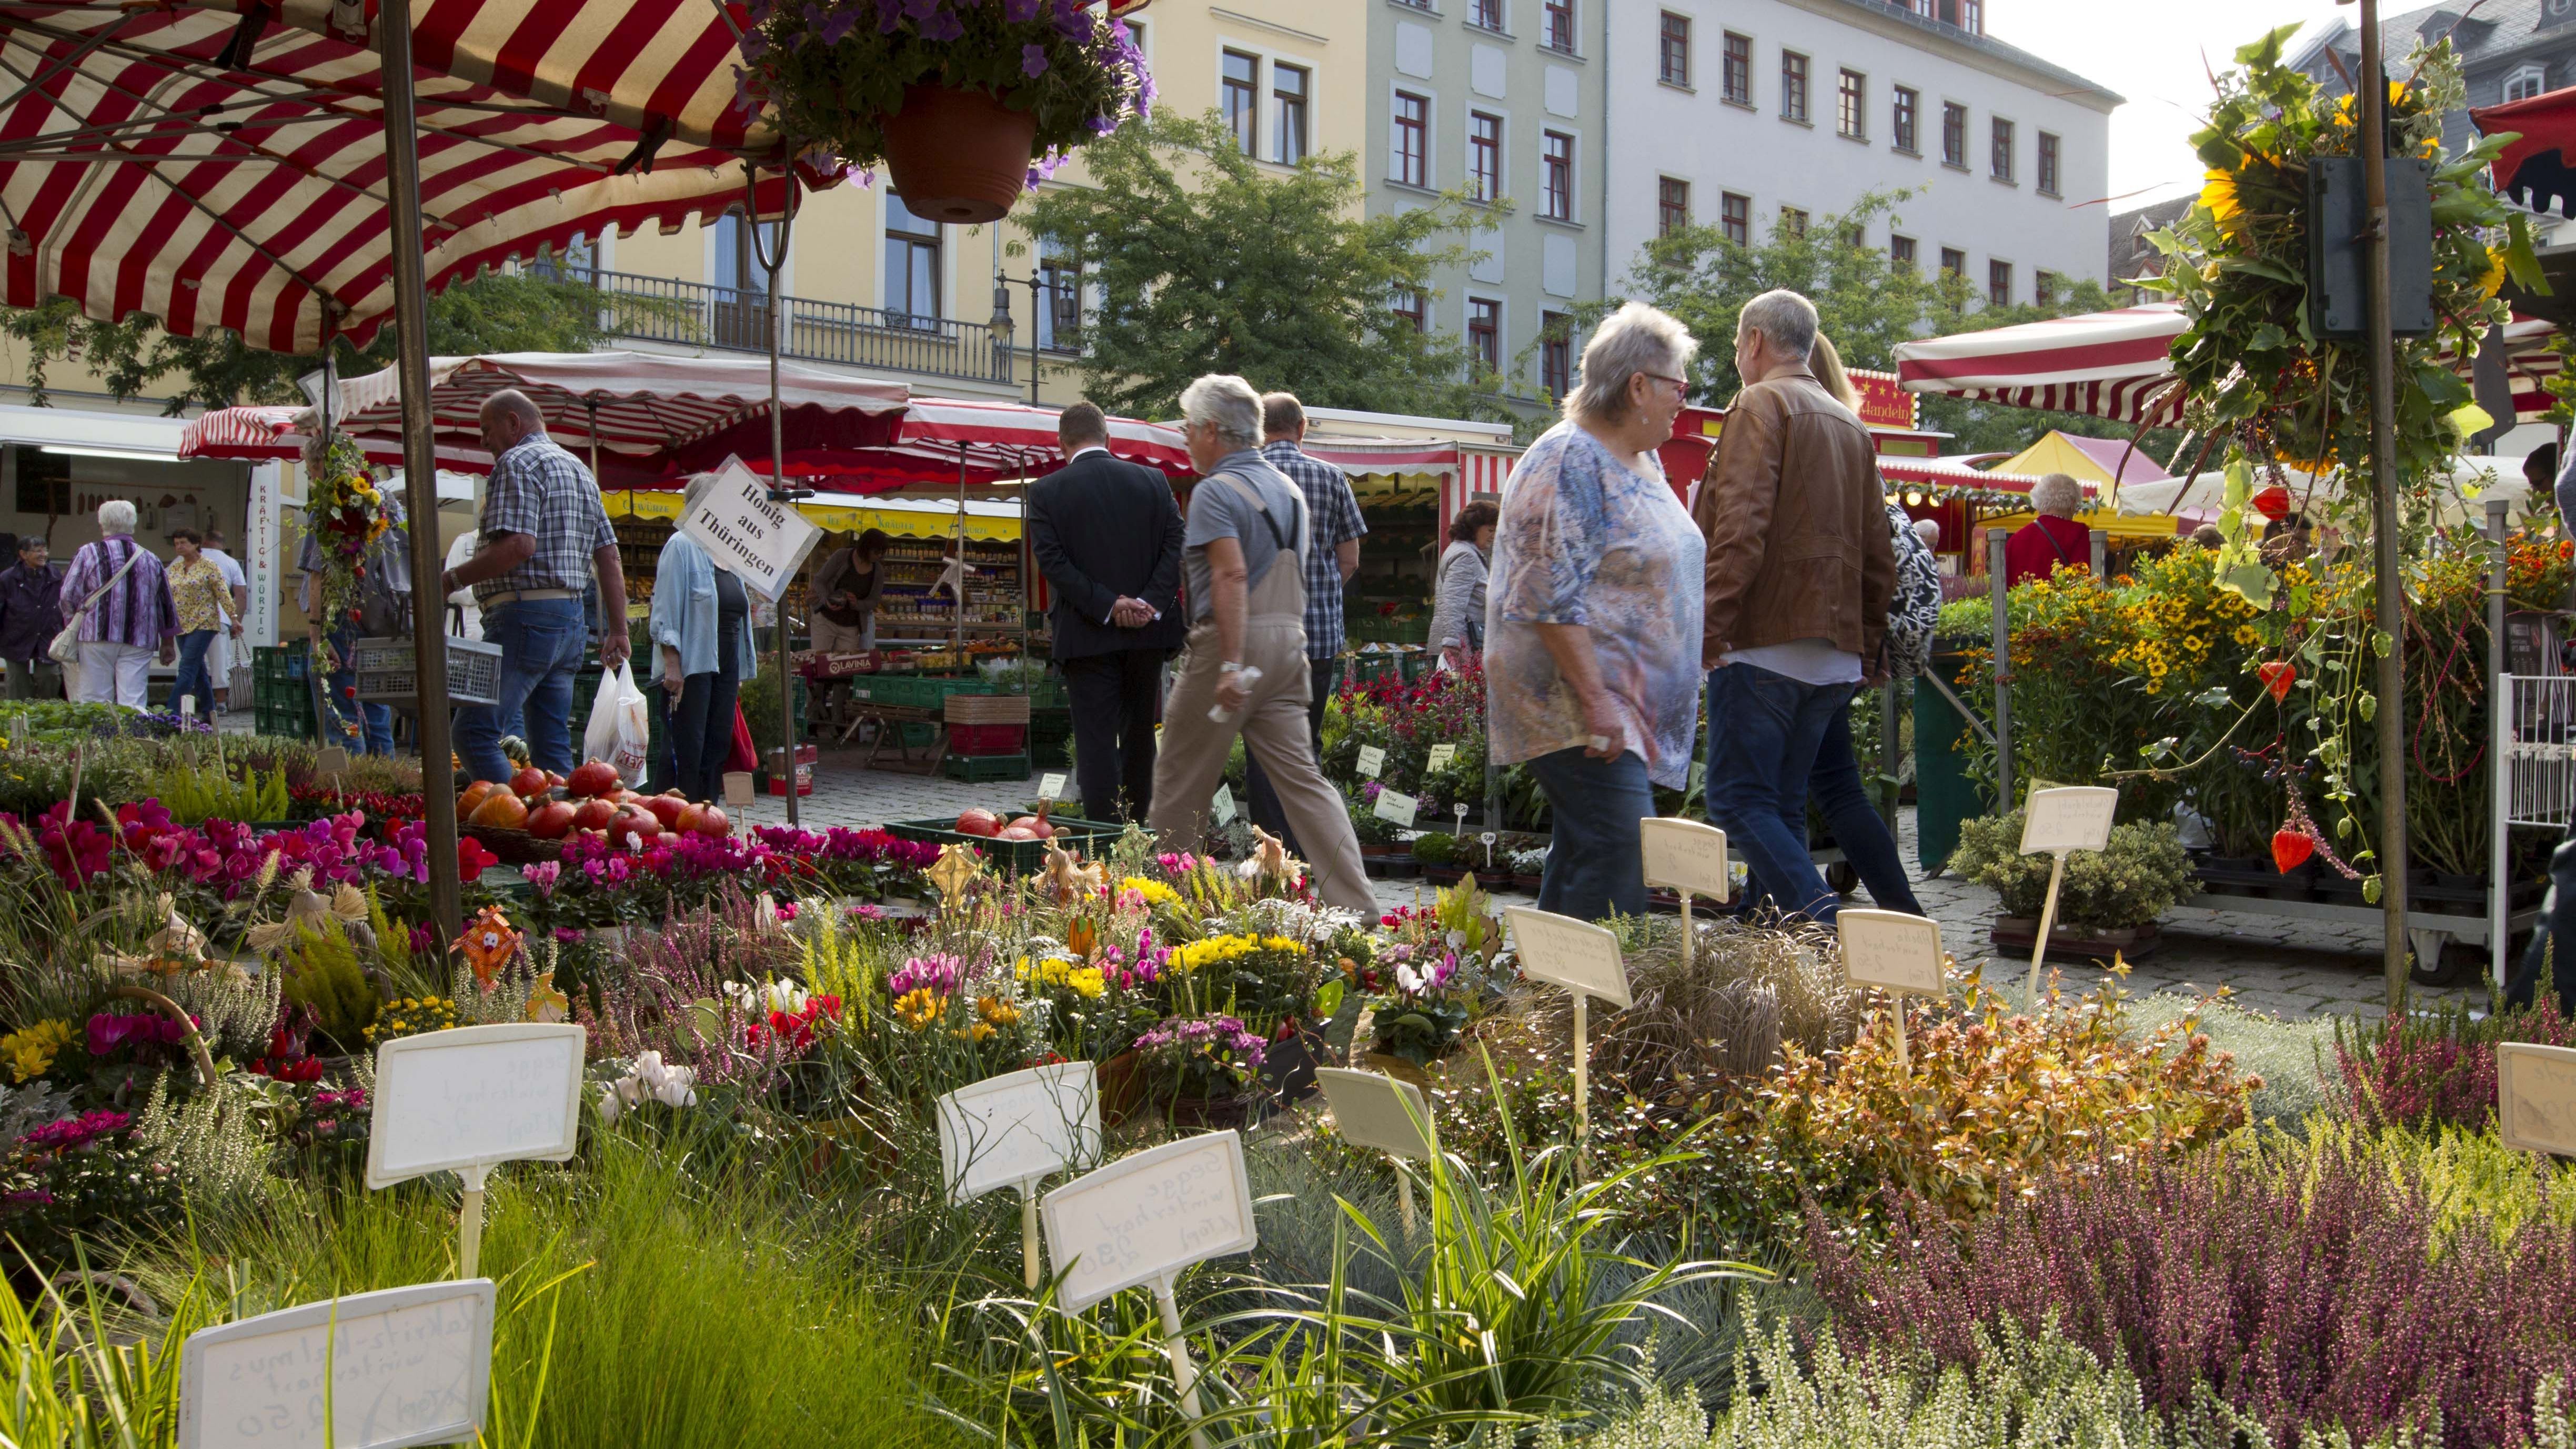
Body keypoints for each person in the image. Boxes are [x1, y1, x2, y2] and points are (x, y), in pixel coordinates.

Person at [1489, 303, 1705, 921]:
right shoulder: (1568, 459)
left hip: (1618, 704)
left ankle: (1549, 1002)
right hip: (1574, 706)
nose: (1681, 403)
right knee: (1618, 847)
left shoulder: (1642, 458)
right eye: (1678, 387)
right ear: (1638, 386)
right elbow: (1546, 596)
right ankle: (1593, 1001)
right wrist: (1595, 699)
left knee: (1591, 845)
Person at [1698, 290, 1894, 927]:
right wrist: (1867, 646)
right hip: (1830, 653)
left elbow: (1742, 527)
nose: (1737, 358)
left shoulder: (1762, 402)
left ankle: (1837, 937)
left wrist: (1710, 626)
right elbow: (1877, 551)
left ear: (1754, 341)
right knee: (1778, 804)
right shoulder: (1850, 421)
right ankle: (1771, 938)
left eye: (1736, 345)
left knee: (1736, 801)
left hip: (1765, 639)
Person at [1148, 374, 1373, 913]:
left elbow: (1228, 577)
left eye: (1187, 427)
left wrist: (1228, 664)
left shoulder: (1215, 492)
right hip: (1288, 646)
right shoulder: (1290, 490)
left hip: (1231, 645)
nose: (1184, 437)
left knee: (1179, 778)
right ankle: (1359, 905)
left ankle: (1169, 905)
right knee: (1304, 782)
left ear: (1210, 430)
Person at [1794, 333, 1926, 917]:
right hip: (1839, 643)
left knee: (1765, 795)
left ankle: (1799, 918)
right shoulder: (1851, 432)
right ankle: (1903, 914)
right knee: (1829, 787)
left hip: (1798, 637)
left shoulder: (1795, 427)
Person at [438, 388, 629, 784]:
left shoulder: (516, 462)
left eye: (486, 429)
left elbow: (520, 546)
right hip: (571, 621)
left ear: (513, 422)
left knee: (473, 733)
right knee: (551, 744)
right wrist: (618, 629)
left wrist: (451, 579)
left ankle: (516, 819)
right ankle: (556, 834)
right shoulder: (580, 470)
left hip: (524, 616)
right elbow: (609, 556)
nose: (483, 440)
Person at [1028, 401, 1185, 825]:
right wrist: (1147, 603)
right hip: (1146, 635)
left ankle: (1101, 839)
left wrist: (1106, 605)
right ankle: (1139, 834)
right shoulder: (1154, 481)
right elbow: (1176, 546)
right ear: (1108, 438)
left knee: (1094, 742)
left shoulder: (1045, 492)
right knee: (1139, 738)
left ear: (1062, 444)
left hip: (1086, 634)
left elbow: (1054, 564)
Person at [1243, 392, 1367, 852]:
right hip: (1316, 635)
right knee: (1305, 744)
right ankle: (1304, 847)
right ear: (1301, 428)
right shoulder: (1333, 477)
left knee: (1261, 745)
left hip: (1259, 638)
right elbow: (1350, 558)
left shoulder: (1240, 479)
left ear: (1259, 429)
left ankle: (1268, 851)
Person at [647, 475, 757, 802]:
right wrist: (672, 665)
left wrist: (737, 672)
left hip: (725, 667)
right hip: (692, 666)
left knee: (717, 745)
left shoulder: (730, 555)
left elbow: (737, 615)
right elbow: (664, 611)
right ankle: (674, 822)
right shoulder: (681, 547)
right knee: (687, 748)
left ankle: (706, 817)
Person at [300, 489, 407, 757]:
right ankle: (388, 796)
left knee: (342, 720)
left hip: (340, 620)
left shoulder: (330, 509)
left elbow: (318, 575)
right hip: (379, 623)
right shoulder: (387, 506)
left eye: (312, 470)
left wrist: (317, 636)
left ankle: (353, 795)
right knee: (376, 717)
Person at [58, 501, 175, 709]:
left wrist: (72, 623)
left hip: (96, 634)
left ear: (102, 523)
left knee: (95, 698)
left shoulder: (88, 553)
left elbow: (68, 594)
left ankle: (99, 740)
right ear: (134, 524)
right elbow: (165, 603)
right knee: (133, 700)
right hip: (139, 637)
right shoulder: (151, 558)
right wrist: (168, 642)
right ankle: (134, 739)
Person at [164, 529, 234, 717]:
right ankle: (209, 712)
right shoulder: (176, 568)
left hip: (204, 623)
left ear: (196, 544)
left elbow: (222, 593)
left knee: (187, 667)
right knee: (199, 670)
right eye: (177, 543)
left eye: (183, 543)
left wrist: (234, 618)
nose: (179, 547)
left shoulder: (209, 566)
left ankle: (171, 713)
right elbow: (168, 595)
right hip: (182, 624)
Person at [1428, 499, 1497, 672]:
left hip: (1464, 644)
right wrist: (1452, 644)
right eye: (1490, 530)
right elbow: (1453, 603)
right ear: (1474, 528)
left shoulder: (1463, 551)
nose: (1493, 535)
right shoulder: (1466, 556)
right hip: (1462, 648)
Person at [0, 536, 66, 700]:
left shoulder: (56, 576)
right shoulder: (7, 578)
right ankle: (19, 721)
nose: (44, 554)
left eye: (45, 550)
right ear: (23, 554)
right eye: (38, 551)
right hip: (15, 637)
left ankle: (45, 717)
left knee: (50, 676)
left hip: (48, 636)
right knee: (17, 684)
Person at [809, 529, 889, 654]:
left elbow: (874, 601)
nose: (879, 556)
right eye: (876, 552)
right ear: (865, 547)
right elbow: (819, 580)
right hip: (825, 621)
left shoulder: (878, 571)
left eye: (882, 553)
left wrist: (857, 603)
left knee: (844, 667)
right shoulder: (842, 556)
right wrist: (826, 600)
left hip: (850, 628)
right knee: (820, 661)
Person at [2003, 474, 2092, 586]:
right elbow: (2086, 584)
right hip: (2061, 603)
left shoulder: (2015, 540)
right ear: (2072, 504)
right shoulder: (2080, 534)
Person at [202, 527, 249, 712]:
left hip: (189, 620)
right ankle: (220, 703)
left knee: (191, 661)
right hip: (219, 618)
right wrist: (236, 621)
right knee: (220, 662)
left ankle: (188, 702)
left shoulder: (187, 558)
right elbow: (241, 595)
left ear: (204, 542)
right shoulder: (231, 562)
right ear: (223, 545)